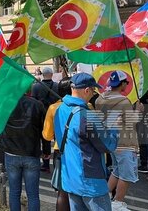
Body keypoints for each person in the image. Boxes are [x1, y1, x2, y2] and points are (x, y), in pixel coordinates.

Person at [53, 73, 118, 210]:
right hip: (90, 181)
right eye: (93, 91)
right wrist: (114, 127)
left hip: (70, 178)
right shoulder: (87, 116)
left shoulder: (60, 110)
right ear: (87, 90)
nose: (93, 94)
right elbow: (108, 145)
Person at [95, 70, 141, 211]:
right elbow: (130, 122)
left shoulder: (99, 100)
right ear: (121, 84)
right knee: (126, 174)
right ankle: (118, 203)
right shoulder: (123, 101)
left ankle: (105, 196)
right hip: (125, 142)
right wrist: (138, 111)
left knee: (117, 170)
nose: (127, 85)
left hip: (111, 142)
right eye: (126, 83)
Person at [0, 93, 46, 211]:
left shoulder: (5, 104)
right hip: (31, 152)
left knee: (14, 192)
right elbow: (44, 130)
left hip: (11, 152)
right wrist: (47, 150)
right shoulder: (37, 104)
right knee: (33, 194)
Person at [42, 77, 72, 211]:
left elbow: (47, 136)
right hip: (81, 153)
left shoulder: (53, 108)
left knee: (62, 191)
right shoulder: (86, 106)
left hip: (60, 151)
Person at [32, 67, 58, 173]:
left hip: (41, 117)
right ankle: (58, 162)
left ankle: (46, 164)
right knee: (58, 140)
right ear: (51, 74)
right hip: (56, 115)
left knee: (45, 140)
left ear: (42, 74)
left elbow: (33, 102)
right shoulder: (56, 86)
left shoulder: (36, 87)